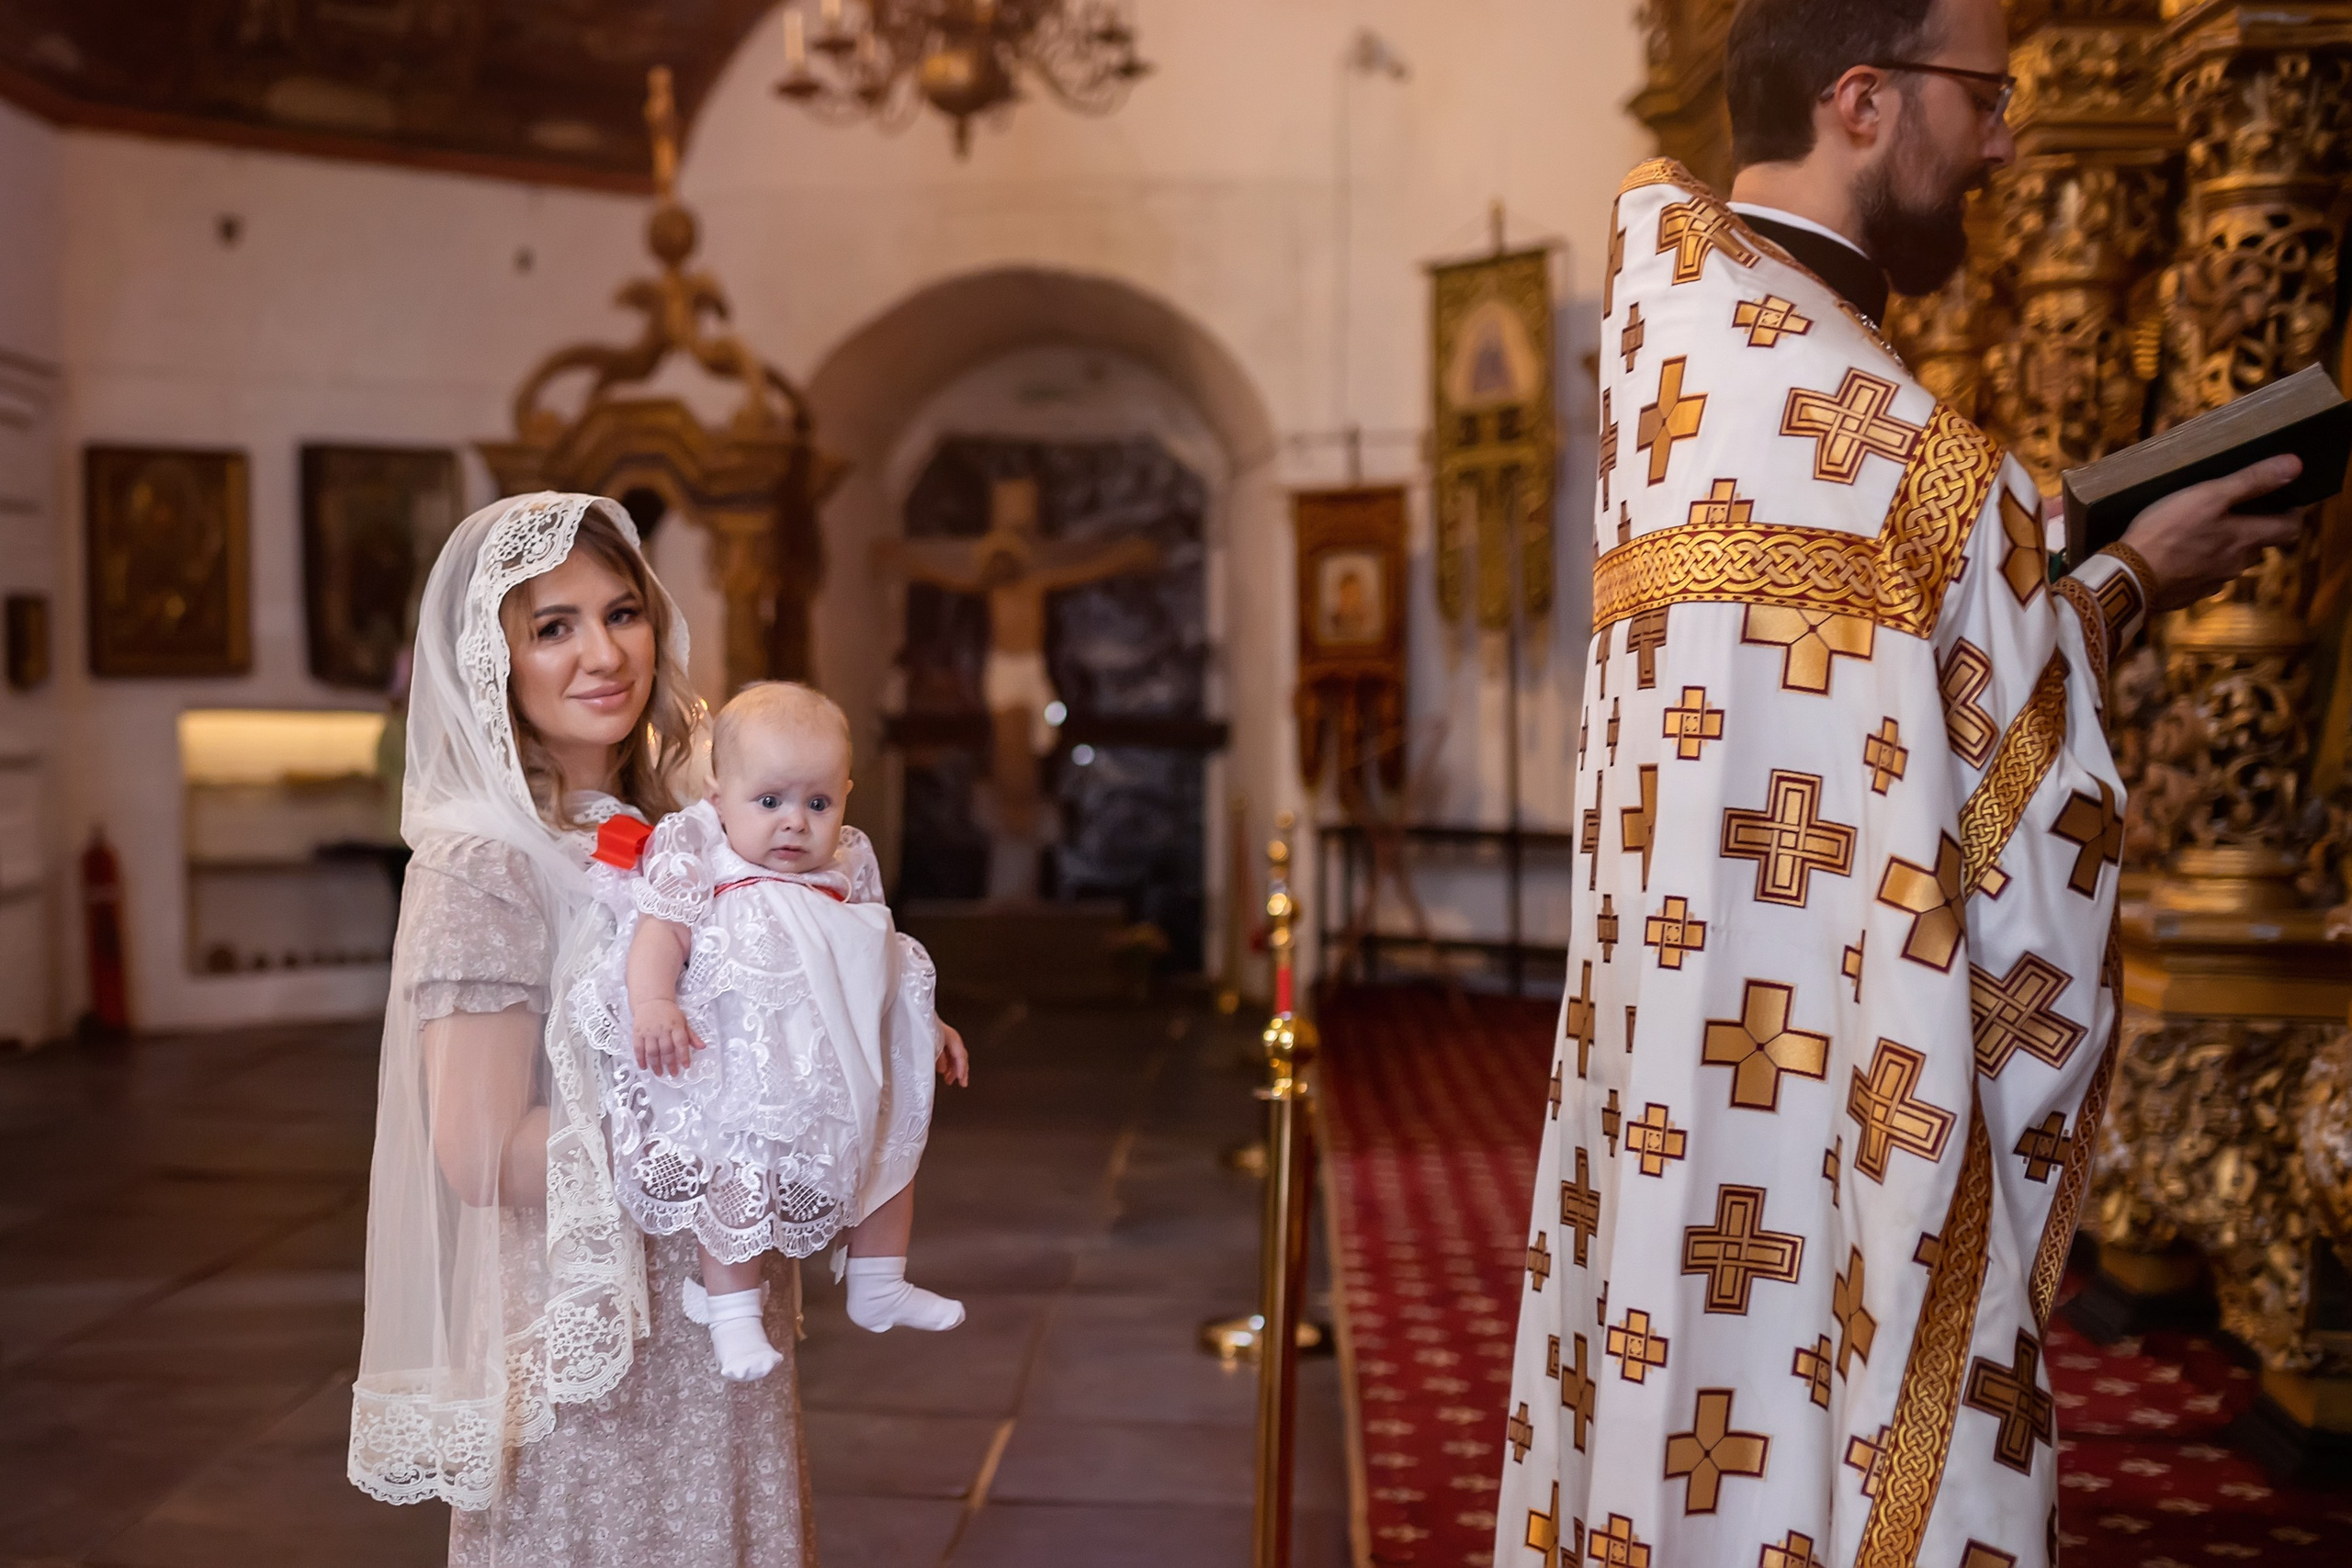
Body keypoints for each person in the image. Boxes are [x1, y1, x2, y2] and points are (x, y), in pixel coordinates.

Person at [1494, 1, 2304, 1563]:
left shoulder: (1698, 351)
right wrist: (2136, 573)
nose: (2002, 140)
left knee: (1688, 1395)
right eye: (1985, 98)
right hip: (1834, 1061)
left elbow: (1896, 670)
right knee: (1820, 1404)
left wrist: (2040, 545)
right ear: (1865, 100)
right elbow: (1993, 739)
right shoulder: (1886, 430)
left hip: (1688, 1039)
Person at [346, 491, 815, 1567]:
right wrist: (718, 1129)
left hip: (721, 1312)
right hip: (591, 1344)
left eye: (623, 612)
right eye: (553, 627)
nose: (603, 653)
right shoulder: (481, 865)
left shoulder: (688, 833)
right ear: (494, 660)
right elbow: (477, 1156)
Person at [594, 680, 969, 1382]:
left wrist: (926, 1022)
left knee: (891, 1145)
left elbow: (874, 954)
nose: (795, 822)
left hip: (835, 1060)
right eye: (769, 802)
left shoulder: (846, 865)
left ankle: (878, 1281)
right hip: (745, 1065)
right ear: (719, 796)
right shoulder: (704, 854)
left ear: (846, 796)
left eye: (818, 803)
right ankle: (731, 1314)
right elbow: (661, 932)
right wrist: (651, 1003)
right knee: (738, 1173)